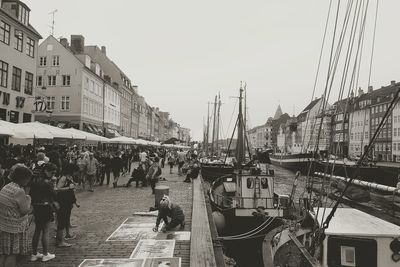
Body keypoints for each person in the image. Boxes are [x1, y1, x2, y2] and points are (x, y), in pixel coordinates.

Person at [0, 165, 32, 266]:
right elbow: (25, 210)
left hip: (4, 225)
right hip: (14, 228)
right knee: (12, 255)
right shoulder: (19, 191)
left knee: (4, 254)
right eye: (27, 178)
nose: (28, 181)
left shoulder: (6, 186)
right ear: (22, 178)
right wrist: (29, 198)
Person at [30, 163, 58, 262]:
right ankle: (45, 254)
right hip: (46, 206)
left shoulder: (34, 180)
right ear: (46, 171)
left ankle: (34, 254)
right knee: (46, 230)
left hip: (36, 206)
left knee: (37, 230)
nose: (53, 174)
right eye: (52, 172)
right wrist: (54, 185)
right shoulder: (47, 182)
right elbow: (54, 194)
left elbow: (31, 194)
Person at [55, 163, 78, 247]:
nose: (76, 173)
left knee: (65, 220)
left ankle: (61, 239)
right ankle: (60, 241)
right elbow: (58, 188)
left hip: (67, 201)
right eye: (75, 171)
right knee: (62, 221)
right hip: (63, 201)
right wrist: (69, 188)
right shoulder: (64, 177)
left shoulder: (69, 177)